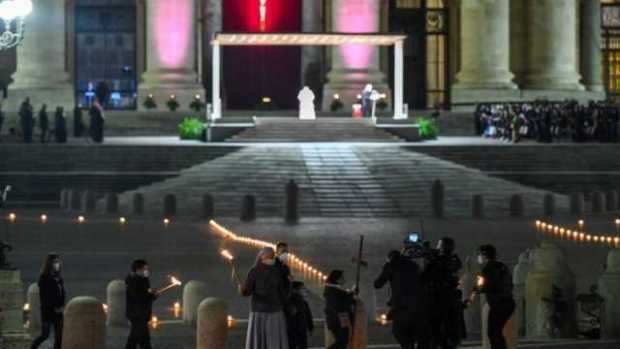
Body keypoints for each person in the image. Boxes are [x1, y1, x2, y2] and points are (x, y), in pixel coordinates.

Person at [374, 250, 430, 349]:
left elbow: (377, 284)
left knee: (399, 332)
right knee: (419, 334)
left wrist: (386, 267)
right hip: (419, 305)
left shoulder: (391, 265)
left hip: (401, 306)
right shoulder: (413, 264)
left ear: (390, 258)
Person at [240, 247, 289, 349]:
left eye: (272, 256)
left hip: (271, 311)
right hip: (262, 311)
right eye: (269, 256)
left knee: (270, 342)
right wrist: (242, 290)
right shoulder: (255, 271)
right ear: (262, 257)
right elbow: (247, 291)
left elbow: (281, 291)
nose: (271, 258)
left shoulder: (276, 271)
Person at [469, 244, 515, 349]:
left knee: (493, 333)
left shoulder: (487, 269)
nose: (478, 258)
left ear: (484, 255)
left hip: (499, 304)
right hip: (508, 303)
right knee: (497, 333)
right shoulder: (502, 266)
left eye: (479, 255)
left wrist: (470, 298)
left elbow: (480, 287)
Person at [425, 237, 464, 349]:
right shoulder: (454, 260)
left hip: (438, 300)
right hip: (452, 299)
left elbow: (424, 276)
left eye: (439, 245)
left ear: (442, 247)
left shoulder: (436, 261)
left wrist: (429, 259)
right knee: (452, 330)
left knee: (435, 332)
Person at [31, 253, 66, 349]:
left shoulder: (59, 278)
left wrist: (61, 306)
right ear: (49, 263)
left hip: (58, 311)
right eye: (55, 262)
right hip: (47, 311)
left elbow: (62, 293)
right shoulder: (44, 278)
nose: (58, 264)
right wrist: (54, 307)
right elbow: (45, 296)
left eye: (58, 262)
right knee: (45, 334)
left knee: (59, 336)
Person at [125, 259, 159, 349]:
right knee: (144, 340)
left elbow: (146, 293)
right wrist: (152, 296)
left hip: (141, 314)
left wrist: (153, 295)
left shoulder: (142, 279)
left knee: (134, 339)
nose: (146, 271)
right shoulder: (133, 281)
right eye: (144, 269)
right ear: (137, 270)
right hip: (137, 314)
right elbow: (139, 298)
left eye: (147, 269)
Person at [324, 270, 355, 349]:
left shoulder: (334, 290)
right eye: (342, 277)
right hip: (338, 320)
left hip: (339, 320)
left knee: (343, 343)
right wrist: (351, 295)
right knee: (342, 342)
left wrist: (351, 294)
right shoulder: (332, 291)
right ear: (337, 279)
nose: (344, 279)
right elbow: (341, 305)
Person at [287, 281, 314, 349]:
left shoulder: (288, 301)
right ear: (295, 290)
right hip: (299, 329)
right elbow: (308, 315)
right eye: (302, 288)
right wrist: (310, 327)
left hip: (291, 329)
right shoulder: (302, 302)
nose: (304, 290)